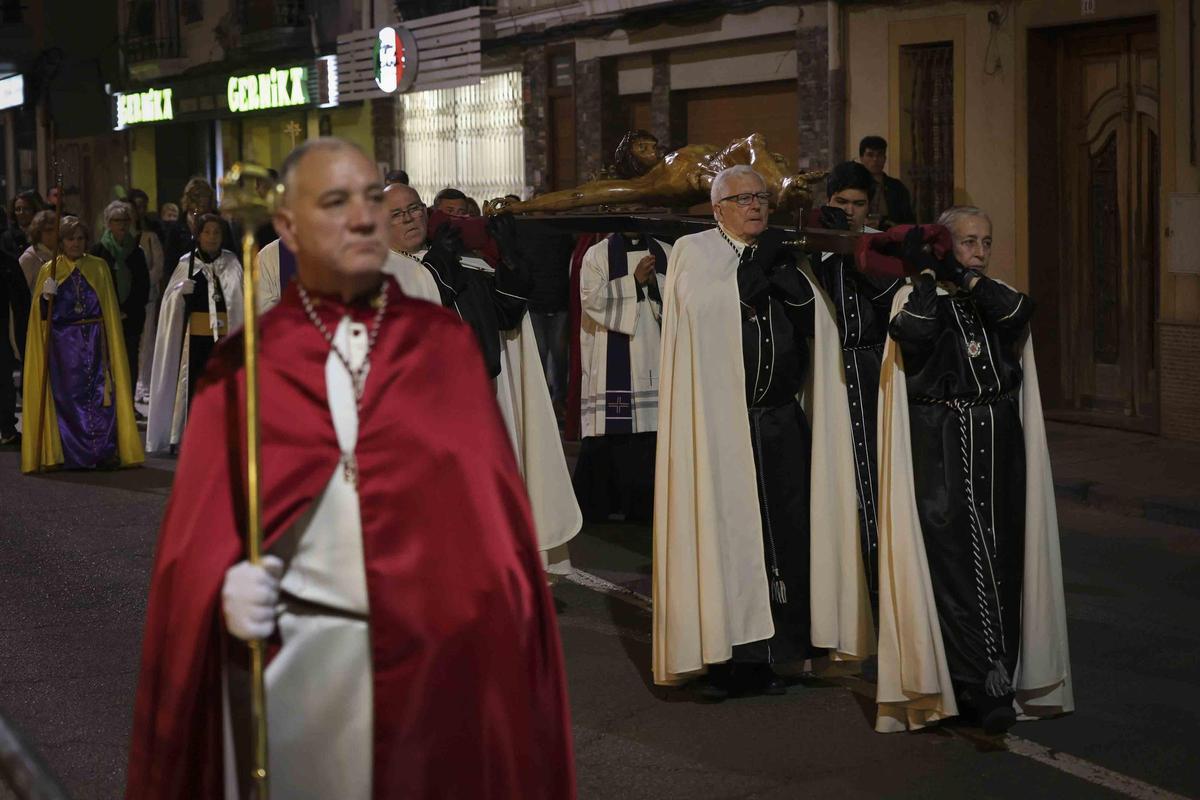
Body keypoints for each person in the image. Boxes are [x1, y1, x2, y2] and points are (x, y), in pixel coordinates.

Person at [126, 137, 575, 799]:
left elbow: (486, 521)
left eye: (370, 200)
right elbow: (198, 545)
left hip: (424, 658)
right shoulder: (247, 368)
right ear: (288, 228)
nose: (363, 219)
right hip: (301, 660)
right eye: (335, 203)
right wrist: (223, 588)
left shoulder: (440, 347)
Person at [653, 165, 873, 700]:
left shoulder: (782, 251)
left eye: (762, 197)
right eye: (744, 198)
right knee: (729, 538)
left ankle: (785, 649)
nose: (755, 205)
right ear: (717, 207)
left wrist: (783, 273)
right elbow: (705, 314)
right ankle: (733, 658)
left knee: (791, 533)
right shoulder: (695, 252)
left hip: (779, 419)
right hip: (721, 425)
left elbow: (815, 325)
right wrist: (750, 277)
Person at [874, 207, 1072, 735]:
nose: (980, 251)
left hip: (1000, 438)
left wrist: (965, 276)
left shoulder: (991, 293)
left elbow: (1016, 313)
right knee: (958, 563)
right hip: (942, 442)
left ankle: (1001, 673)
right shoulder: (919, 299)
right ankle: (976, 682)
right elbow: (912, 336)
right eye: (966, 242)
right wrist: (926, 276)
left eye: (986, 241)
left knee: (1005, 555)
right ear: (943, 244)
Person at [387, 182, 582, 565]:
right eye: (397, 214)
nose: (410, 218)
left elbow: (506, 314)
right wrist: (438, 264)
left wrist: (509, 260)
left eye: (414, 209)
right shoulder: (381, 273)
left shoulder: (464, 262)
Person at [811, 162, 906, 609]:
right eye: (841, 203)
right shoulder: (810, 247)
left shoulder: (883, 249)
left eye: (858, 203)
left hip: (871, 369)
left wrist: (852, 249)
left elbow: (891, 301)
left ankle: (877, 577)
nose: (849, 211)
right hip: (823, 373)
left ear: (871, 206)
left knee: (874, 470)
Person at [21, 216, 144, 472]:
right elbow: (40, 318)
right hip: (64, 347)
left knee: (101, 395)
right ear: (61, 242)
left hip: (95, 340)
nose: (75, 244)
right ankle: (71, 453)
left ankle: (103, 451)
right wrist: (46, 297)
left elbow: (108, 307)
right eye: (69, 239)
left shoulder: (98, 267)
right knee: (69, 398)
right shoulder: (50, 270)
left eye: (79, 238)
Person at [486, 130, 824, 215]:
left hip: (730, 163)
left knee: (753, 141)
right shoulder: (642, 185)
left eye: (651, 143)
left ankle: (782, 184)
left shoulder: (673, 158)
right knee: (750, 145)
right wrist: (522, 206)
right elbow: (578, 196)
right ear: (630, 161)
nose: (653, 149)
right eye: (642, 148)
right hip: (713, 180)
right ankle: (780, 188)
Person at [572, 231, 670, 522]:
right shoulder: (598, 254)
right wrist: (634, 282)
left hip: (656, 348)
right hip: (612, 351)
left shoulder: (668, 250)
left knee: (652, 432)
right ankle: (604, 506)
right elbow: (590, 300)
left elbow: (684, 295)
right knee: (612, 432)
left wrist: (655, 285)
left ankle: (648, 508)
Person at [145, 213, 244, 454]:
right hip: (195, 339)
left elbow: (241, 303)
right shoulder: (186, 264)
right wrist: (179, 293)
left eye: (216, 232)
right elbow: (169, 303)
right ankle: (190, 434)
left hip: (224, 338)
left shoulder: (232, 264)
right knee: (194, 387)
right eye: (207, 232)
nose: (211, 237)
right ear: (198, 236)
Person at [90, 200, 151, 389]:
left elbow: (143, 285)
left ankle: (129, 405)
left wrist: (127, 310)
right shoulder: (98, 251)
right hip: (106, 316)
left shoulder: (136, 251)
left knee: (130, 358)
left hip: (131, 317)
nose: (122, 225)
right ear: (108, 223)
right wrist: (111, 310)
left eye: (125, 220)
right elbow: (94, 284)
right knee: (106, 360)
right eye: (117, 220)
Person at [128, 189, 166, 402]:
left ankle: (144, 383)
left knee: (148, 339)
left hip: (147, 295)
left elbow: (157, 266)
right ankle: (133, 384)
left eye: (143, 206)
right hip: (127, 297)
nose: (139, 211)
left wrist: (144, 284)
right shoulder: (125, 238)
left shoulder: (150, 235)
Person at [0, 243, 30, 445]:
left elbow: (23, 301)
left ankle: (8, 428)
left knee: (4, 382)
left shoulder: (8, 262)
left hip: (3, 333)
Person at [858, 135, 915, 228]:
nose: (875, 159)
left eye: (879, 155)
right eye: (870, 155)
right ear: (861, 158)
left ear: (884, 158)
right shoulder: (854, 185)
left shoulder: (897, 187)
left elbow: (908, 221)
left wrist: (884, 224)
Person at [19, 210, 58, 291]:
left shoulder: (61, 254)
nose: (54, 233)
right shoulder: (29, 258)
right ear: (38, 232)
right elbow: (20, 292)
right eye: (49, 230)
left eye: (56, 229)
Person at [1, 190, 43, 258]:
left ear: (34, 210)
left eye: (26, 209)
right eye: (18, 209)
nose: (21, 212)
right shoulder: (7, 237)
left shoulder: (42, 233)